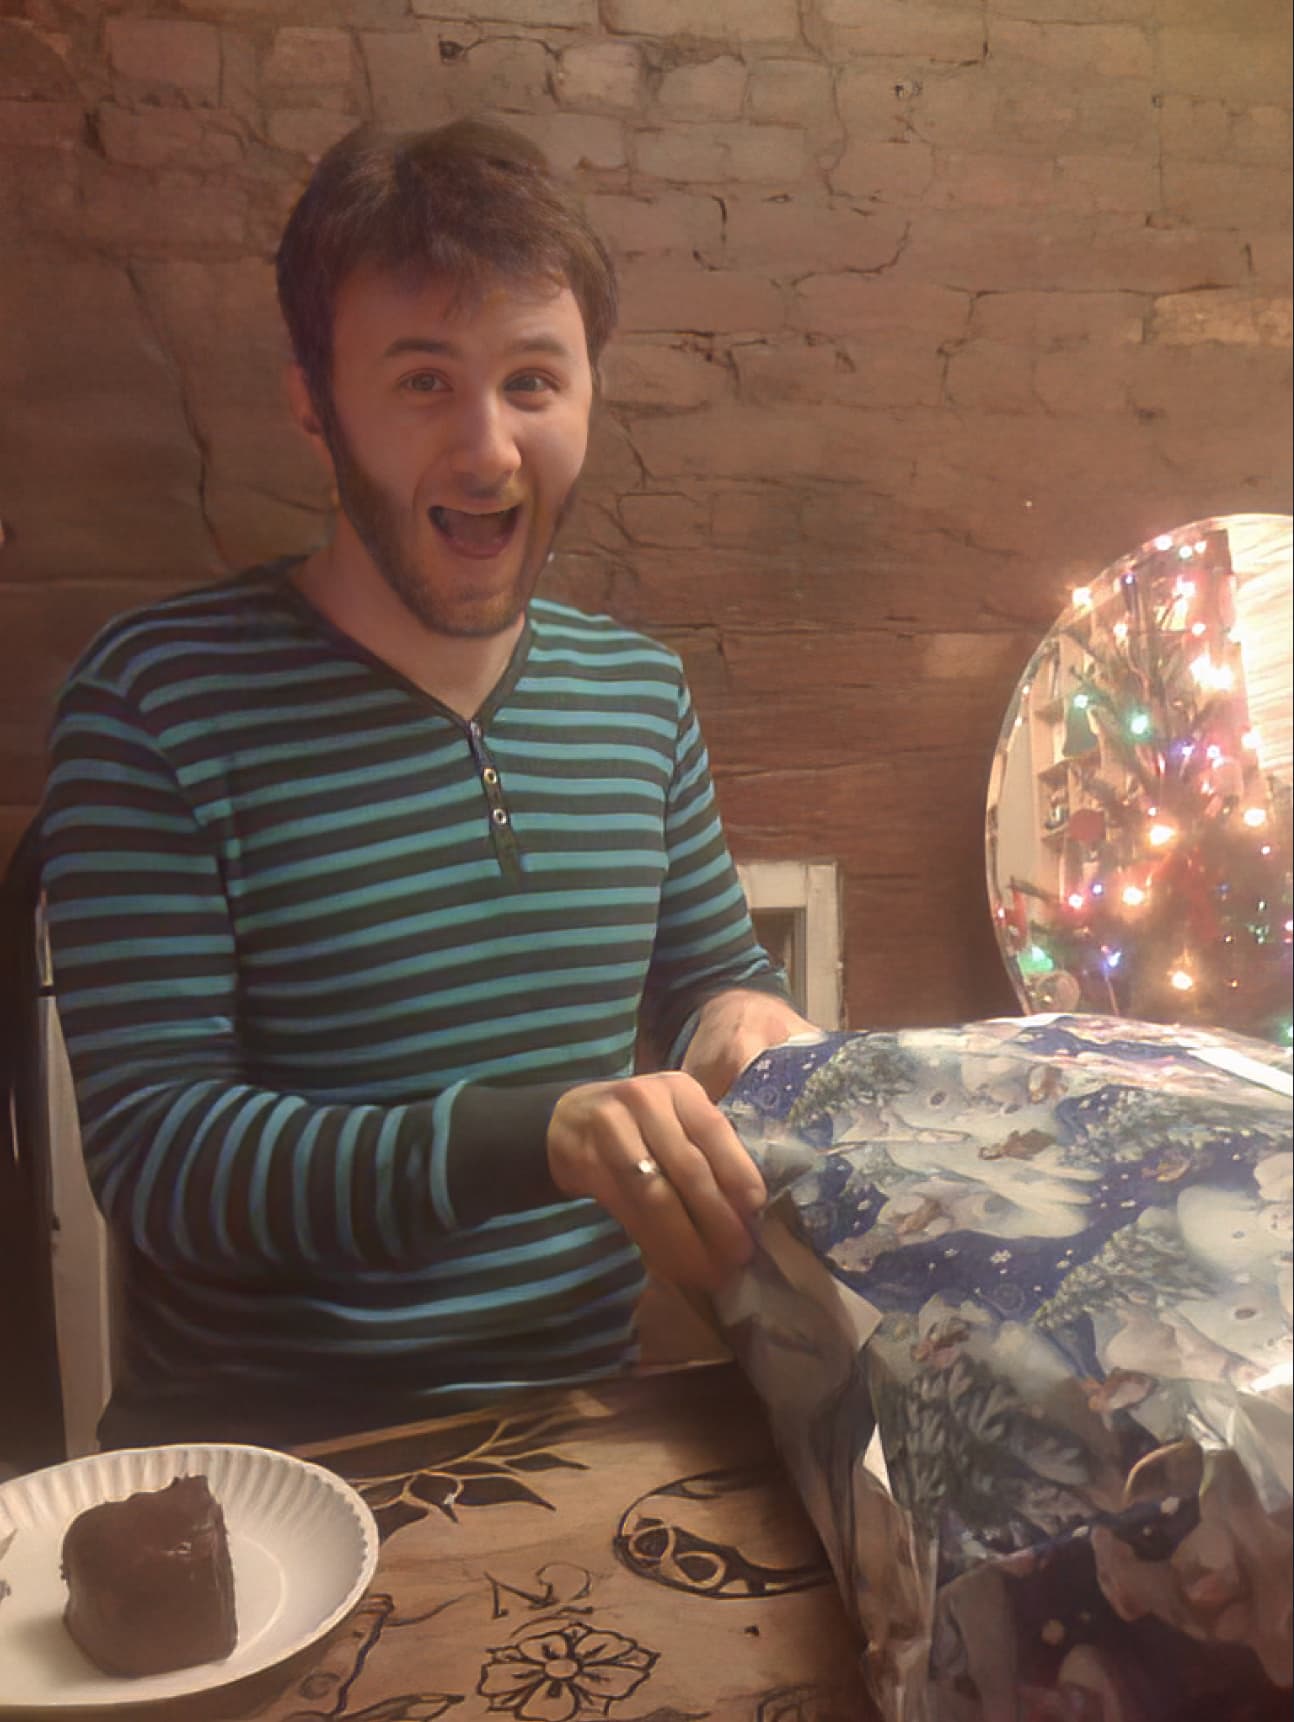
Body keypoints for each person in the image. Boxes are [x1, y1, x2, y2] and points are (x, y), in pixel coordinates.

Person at [39, 119, 815, 1449]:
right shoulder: (153, 698)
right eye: (421, 382)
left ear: (591, 390)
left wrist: (746, 1020)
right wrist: (530, 1140)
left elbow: (709, 976)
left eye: (531, 380)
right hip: (275, 1464)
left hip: (585, 1429)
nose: (486, 450)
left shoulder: (639, 695)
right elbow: (160, 1157)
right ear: (313, 407)